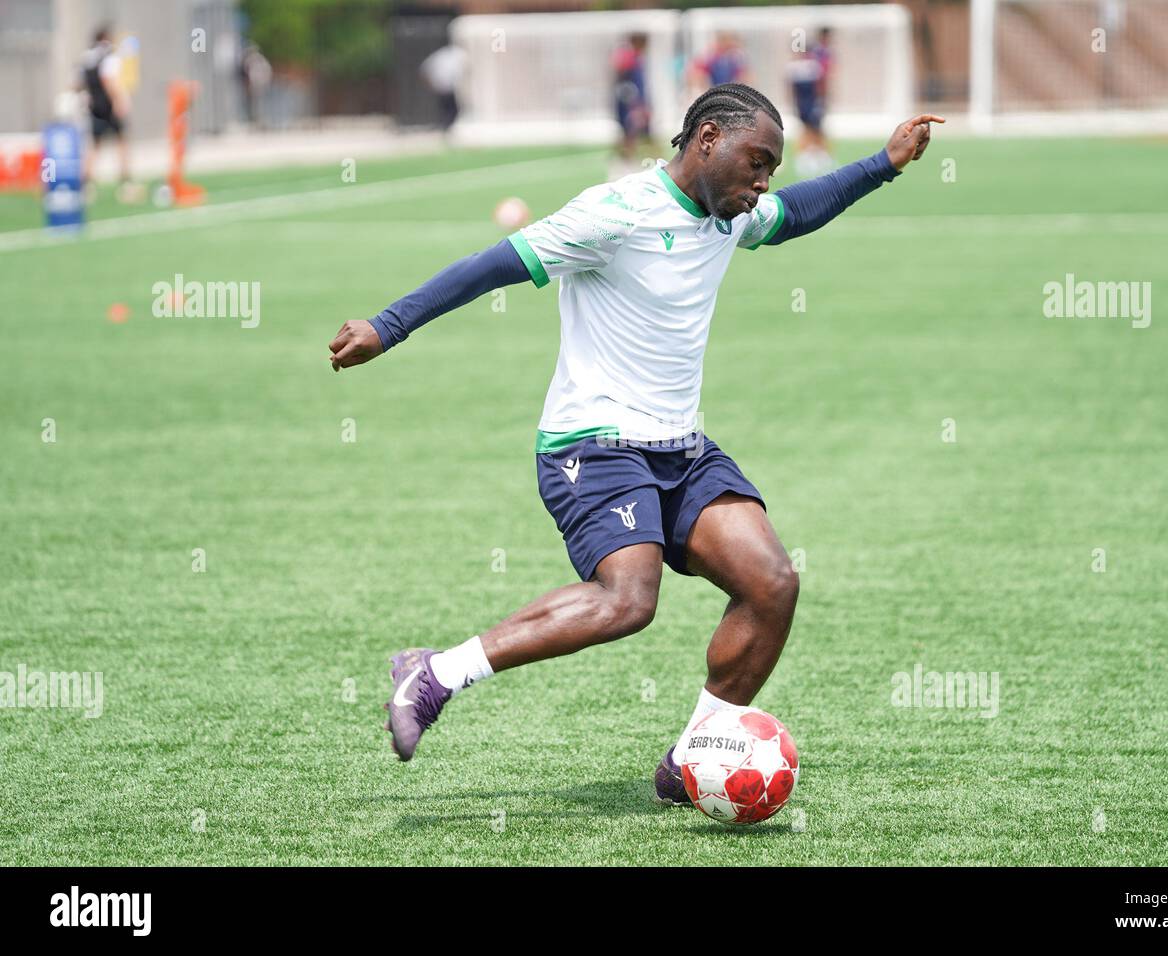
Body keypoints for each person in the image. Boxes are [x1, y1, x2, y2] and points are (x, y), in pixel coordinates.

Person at [326, 84, 943, 805]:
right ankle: (433, 673)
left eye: (771, 167)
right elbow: (493, 264)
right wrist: (387, 326)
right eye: (756, 162)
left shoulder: (728, 216)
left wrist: (884, 164)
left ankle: (692, 758)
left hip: (680, 450)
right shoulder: (614, 214)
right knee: (627, 601)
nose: (763, 183)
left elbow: (796, 211)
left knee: (771, 583)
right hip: (592, 445)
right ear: (707, 139)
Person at [79, 26, 138, 202]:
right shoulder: (109, 56)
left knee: (95, 145)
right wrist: (120, 100)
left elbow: (79, 82)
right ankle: (125, 182)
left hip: (95, 106)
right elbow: (109, 80)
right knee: (122, 142)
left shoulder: (87, 57)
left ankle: (86, 185)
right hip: (109, 106)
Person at [789, 27, 835, 176]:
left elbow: (820, 85)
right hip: (802, 103)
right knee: (806, 129)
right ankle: (803, 157)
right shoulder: (794, 67)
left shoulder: (813, 66)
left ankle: (823, 156)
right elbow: (791, 89)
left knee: (817, 129)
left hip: (813, 102)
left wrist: (821, 101)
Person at [612, 33, 652, 179]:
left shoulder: (635, 59)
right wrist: (635, 104)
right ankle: (624, 163)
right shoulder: (629, 59)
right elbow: (626, 83)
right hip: (631, 103)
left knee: (633, 134)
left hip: (634, 102)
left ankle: (625, 161)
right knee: (630, 133)